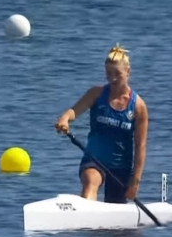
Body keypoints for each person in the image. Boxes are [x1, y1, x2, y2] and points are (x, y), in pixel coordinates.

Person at [54, 43, 149, 203]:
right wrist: (64, 118)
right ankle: (85, 216)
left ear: (128, 72)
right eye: (108, 73)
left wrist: (135, 181)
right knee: (91, 182)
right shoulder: (96, 94)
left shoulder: (138, 106)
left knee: (116, 215)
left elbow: (140, 147)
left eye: (117, 74)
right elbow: (74, 111)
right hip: (94, 159)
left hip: (120, 167)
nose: (111, 78)